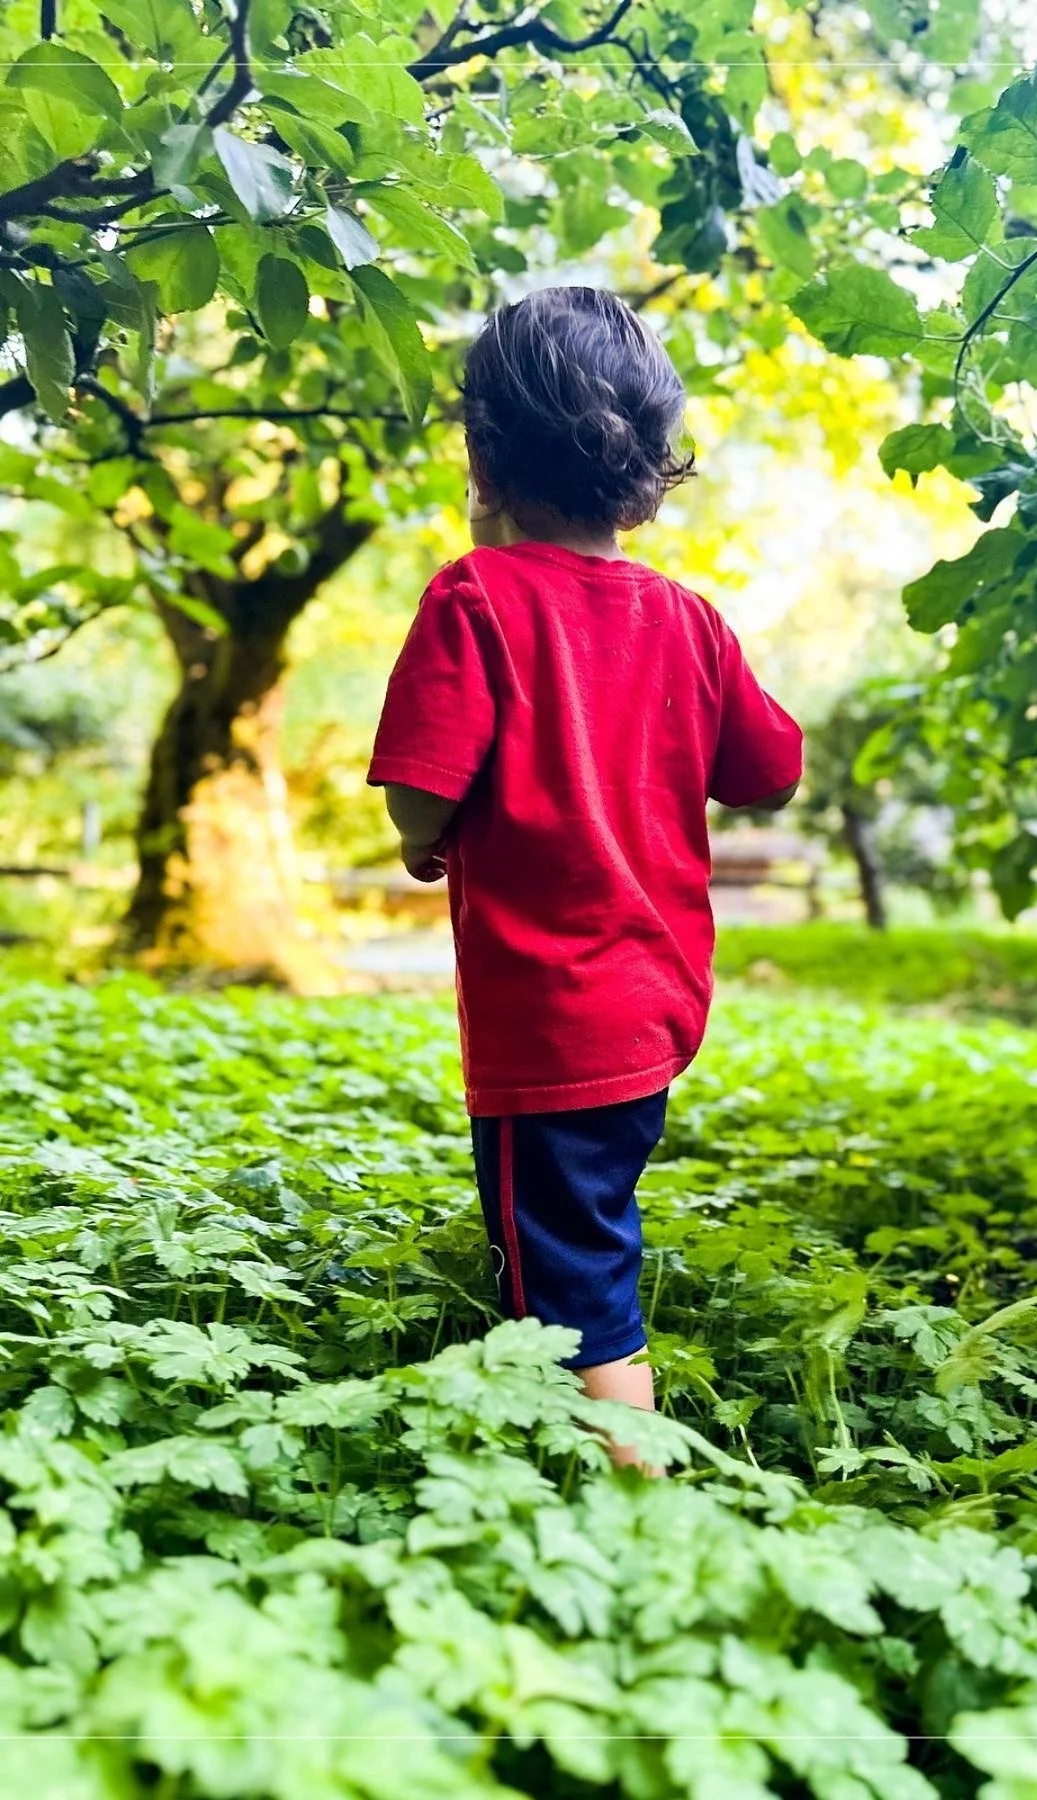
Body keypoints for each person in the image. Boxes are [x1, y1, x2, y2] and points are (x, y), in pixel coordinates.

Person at [368, 286, 802, 1458]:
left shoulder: (475, 597)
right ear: (650, 469)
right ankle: (586, 1452)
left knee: (569, 1284)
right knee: (590, 1218)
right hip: (655, 1001)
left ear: (483, 459)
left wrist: (421, 839)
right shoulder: (689, 620)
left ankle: (631, 1504)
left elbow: (419, 793)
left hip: (551, 1021)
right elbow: (771, 774)